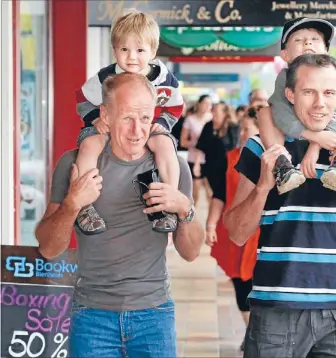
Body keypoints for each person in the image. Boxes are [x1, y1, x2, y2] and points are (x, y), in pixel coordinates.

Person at [224, 54, 336, 358]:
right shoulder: (263, 147)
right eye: (309, 92)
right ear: (291, 95)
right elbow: (236, 232)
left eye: (329, 92)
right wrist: (263, 187)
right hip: (274, 313)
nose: (320, 102)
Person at [35, 73, 204, 358]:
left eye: (145, 117)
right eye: (127, 118)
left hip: (154, 315)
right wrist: (72, 204)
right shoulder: (75, 164)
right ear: (105, 115)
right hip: (92, 317)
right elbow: (49, 248)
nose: (138, 130)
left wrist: (184, 207)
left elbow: (191, 252)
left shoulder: (172, 167)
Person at [75, 9, 184, 234]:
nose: (131, 57)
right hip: (110, 126)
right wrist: (95, 119)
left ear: (153, 51)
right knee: (89, 145)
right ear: (114, 49)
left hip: (147, 128)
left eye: (140, 50)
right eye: (124, 49)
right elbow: (83, 99)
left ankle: (167, 203)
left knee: (164, 145)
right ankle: (84, 206)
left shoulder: (164, 78)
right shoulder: (106, 77)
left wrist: (163, 124)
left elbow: (175, 105)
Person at [260, 17, 336, 195]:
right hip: (295, 125)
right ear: (285, 55)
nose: (307, 42)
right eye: (298, 40)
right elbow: (280, 112)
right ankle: (282, 165)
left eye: (315, 39)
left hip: (330, 129)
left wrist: (315, 145)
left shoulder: (333, 74)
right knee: (265, 112)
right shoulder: (285, 78)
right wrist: (313, 136)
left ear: (327, 50)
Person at [205, 105, 262, 351]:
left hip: (265, 236)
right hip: (237, 233)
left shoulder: (279, 160)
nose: (241, 135)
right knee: (241, 284)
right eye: (241, 130)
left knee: (262, 286)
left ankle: (262, 335)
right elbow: (219, 193)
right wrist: (209, 224)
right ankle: (253, 334)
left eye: (247, 130)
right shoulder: (230, 159)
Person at [180, 94, 213, 204]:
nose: (207, 106)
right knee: (195, 191)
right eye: (205, 103)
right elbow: (183, 142)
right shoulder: (190, 119)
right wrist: (197, 143)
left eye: (209, 104)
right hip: (194, 159)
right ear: (199, 104)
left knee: (212, 192)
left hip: (210, 159)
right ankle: (192, 215)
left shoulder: (212, 119)